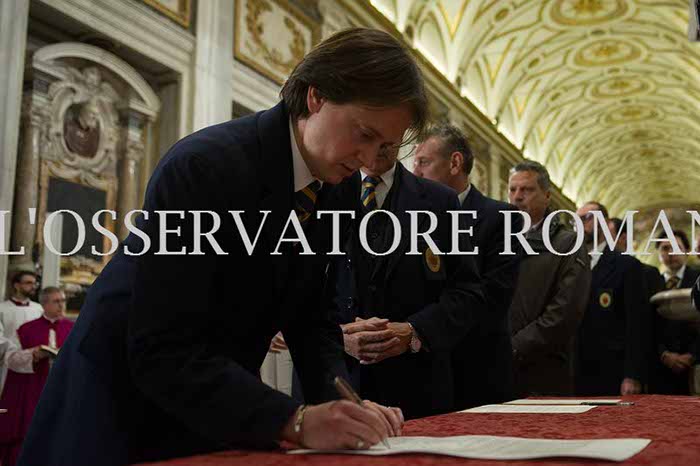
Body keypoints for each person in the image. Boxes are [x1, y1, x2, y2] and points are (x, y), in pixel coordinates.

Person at [19, 28, 427, 466]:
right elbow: (163, 347)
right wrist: (293, 420)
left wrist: (343, 401)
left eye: (384, 147)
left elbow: (312, 317)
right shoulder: (205, 167)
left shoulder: (339, 191)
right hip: (121, 403)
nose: (368, 160)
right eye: (363, 134)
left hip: (216, 401)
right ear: (317, 96)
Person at [326, 137, 485, 420]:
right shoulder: (322, 193)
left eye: (388, 134)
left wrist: (414, 331)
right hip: (332, 386)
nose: (378, 143)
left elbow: (467, 293)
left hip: (415, 390)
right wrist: (338, 336)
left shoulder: (441, 201)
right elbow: (294, 289)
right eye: (368, 132)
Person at [412, 124, 521, 407]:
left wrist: (428, 327)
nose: (415, 172)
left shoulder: (502, 217)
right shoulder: (415, 218)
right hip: (422, 369)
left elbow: (494, 295)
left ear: (455, 163)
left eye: (423, 162)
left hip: (478, 369)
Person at [507, 162, 590, 396]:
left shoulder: (568, 243)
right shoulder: (498, 239)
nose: (517, 196)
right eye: (512, 189)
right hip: (497, 366)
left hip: (544, 369)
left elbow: (565, 310)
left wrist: (514, 346)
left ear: (547, 195)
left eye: (527, 189)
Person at [575, 201, 650, 396]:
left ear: (606, 223)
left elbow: (637, 324)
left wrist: (633, 375)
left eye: (587, 218)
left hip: (612, 369)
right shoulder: (570, 264)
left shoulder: (627, 266)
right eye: (577, 219)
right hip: (574, 369)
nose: (580, 223)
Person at [0, 288, 73, 466]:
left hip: (64, 391)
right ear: (44, 304)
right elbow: (11, 358)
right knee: (29, 434)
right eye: (56, 301)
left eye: (63, 301)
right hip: (33, 390)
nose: (61, 305)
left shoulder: (73, 329)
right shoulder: (26, 329)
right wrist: (33, 355)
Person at [653, 230, 699, 394]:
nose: (671, 253)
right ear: (659, 254)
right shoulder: (652, 281)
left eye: (676, 247)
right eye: (665, 248)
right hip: (660, 369)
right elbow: (647, 325)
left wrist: (692, 355)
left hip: (695, 366)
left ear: (686, 251)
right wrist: (664, 354)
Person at [0, 272, 43, 393]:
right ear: (17, 285)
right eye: (28, 283)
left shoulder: (39, 309)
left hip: (34, 361)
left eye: (35, 283)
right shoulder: (2, 309)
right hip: (9, 361)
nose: (33, 286)